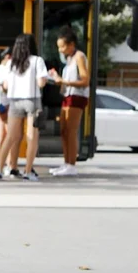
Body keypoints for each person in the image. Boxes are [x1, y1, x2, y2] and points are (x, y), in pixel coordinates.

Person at [0, 33, 48, 181]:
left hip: (14, 101)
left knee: (11, 136)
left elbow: (5, 85)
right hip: (32, 100)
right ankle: (28, 171)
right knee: (31, 137)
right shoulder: (37, 61)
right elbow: (41, 83)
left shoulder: (11, 64)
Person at [48, 26, 90, 177]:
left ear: (72, 44)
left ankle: (72, 165)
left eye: (62, 46)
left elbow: (85, 80)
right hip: (68, 95)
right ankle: (67, 163)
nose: (60, 50)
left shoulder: (79, 56)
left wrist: (64, 81)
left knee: (71, 131)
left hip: (77, 96)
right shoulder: (69, 59)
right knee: (64, 130)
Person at [0, 47, 19, 175]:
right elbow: (7, 86)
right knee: (10, 134)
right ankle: (9, 163)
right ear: (8, 56)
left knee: (0, 134)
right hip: (5, 103)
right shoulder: (7, 68)